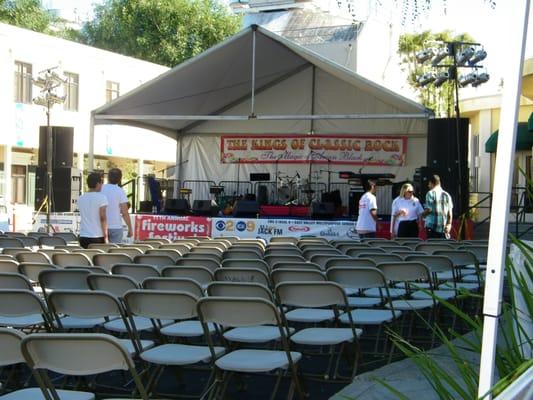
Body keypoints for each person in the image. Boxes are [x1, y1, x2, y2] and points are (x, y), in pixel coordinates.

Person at [101, 168, 133, 243]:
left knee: (101, 251)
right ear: (120, 179)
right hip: (116, 227)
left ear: (108, 177)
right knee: (114, 253)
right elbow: (125, 213)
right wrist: (130, 228)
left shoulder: (100, 189)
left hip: (101, 226)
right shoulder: (120, 191)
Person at [78, 172, 108, 248]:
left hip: (83, 235)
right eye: (101, 183)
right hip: (97, 235)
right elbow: (102, 218)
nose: (102, 185)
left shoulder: (81, 198)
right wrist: (106, 236)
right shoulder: (102, 198)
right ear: (98, 183)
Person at [423, 174, 453, 239]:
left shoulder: (430, 193)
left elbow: (429, 209)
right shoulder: (447, 195)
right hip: (444, 228)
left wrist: (422, 215)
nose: (428, 186)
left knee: (432, 247)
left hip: (432, 228)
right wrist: (449, 224)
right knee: (442, 248)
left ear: (431, 183)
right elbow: (450, 214)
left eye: (429, 184)